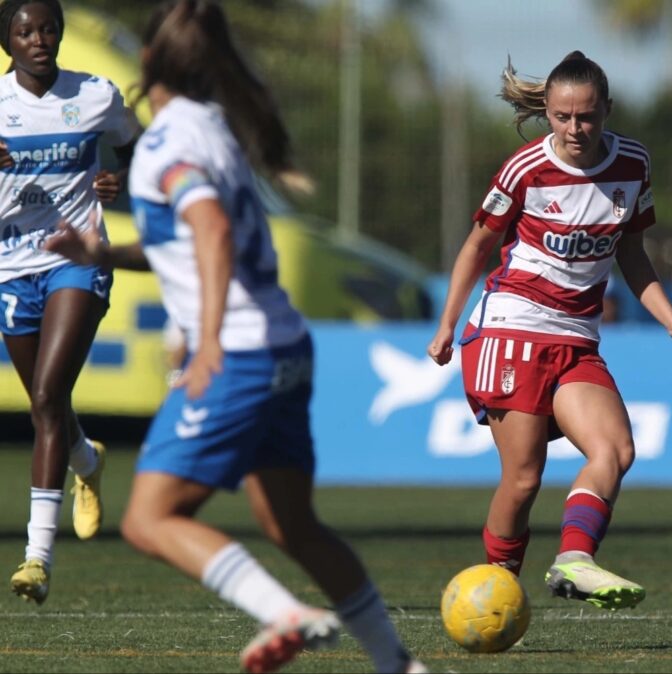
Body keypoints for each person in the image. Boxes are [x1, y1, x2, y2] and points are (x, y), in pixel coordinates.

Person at [46, 2, 425, 673]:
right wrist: (104, 254)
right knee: (291, 524)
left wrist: (209, 338)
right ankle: (398, 665)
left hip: (241, 353)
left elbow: (211, 229)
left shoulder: (166, 143)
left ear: (146, 61)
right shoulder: (213, 127)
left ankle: (285, 614)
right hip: (285, 348)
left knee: (149, 518)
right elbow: (185, 239)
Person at [428, 51, 672, 611]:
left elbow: (632, 252)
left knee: (615, 448)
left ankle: (574, 559)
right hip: (511, 327)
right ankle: (493, 592)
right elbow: (477, 247)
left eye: (585, 116)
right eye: (562, 117)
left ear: (606, 110)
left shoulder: (633, 164)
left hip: (577, 336)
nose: (574, 128)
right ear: (548, 113)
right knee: (523, 480)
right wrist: (446, 325)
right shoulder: (525, 169)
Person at [0, 0, 141, 604]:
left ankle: (37, 558)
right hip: (11, 269)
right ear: (7, 42)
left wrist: (120, 179)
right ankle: (87, 462)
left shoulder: (96, 95)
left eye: (48, 29)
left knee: (49, 398)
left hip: (77, 262)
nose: (39, 39)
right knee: (45, 404)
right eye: (25, 31)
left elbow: (137, 146)